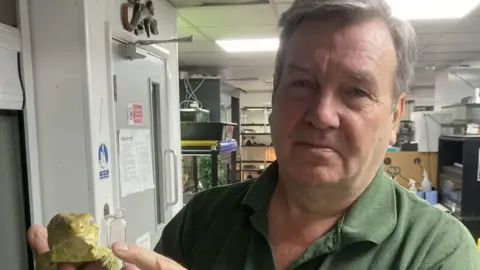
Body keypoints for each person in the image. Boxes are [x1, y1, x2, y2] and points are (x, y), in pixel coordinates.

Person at [28, 0, 480, 269]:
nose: (322, 114)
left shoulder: (436, 251)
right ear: (279, 91)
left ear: (395, 115)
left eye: (356, 92)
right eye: (302, 83)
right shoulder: (203, 219)